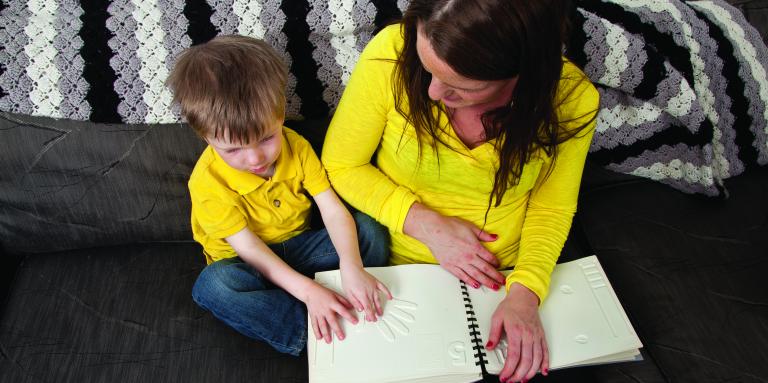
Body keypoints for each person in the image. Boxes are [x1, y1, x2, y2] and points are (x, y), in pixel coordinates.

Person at [321, 0, 598, 381]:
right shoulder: (389, 54)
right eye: (427, 68)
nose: (433, 93)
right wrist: (425, 224)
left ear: (523, 73)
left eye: (460, 86)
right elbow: (341, 165)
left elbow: (551, 207)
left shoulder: (572, 98)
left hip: (511, 275)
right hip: (399, 274)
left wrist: (525, 294)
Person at [166, 35, 391, 356]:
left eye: (266, 138)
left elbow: (332, 209)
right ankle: (312, 336)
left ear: (281, 112)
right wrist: (309, 291)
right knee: (213, 286)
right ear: (205, 137)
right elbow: (250, 250)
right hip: (247, 263)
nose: (256, 158)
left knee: (369, 230)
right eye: (234, 149)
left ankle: (338, 294)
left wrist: (351, 265)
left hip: (299, 247)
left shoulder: (295, 146)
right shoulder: (208, 183)